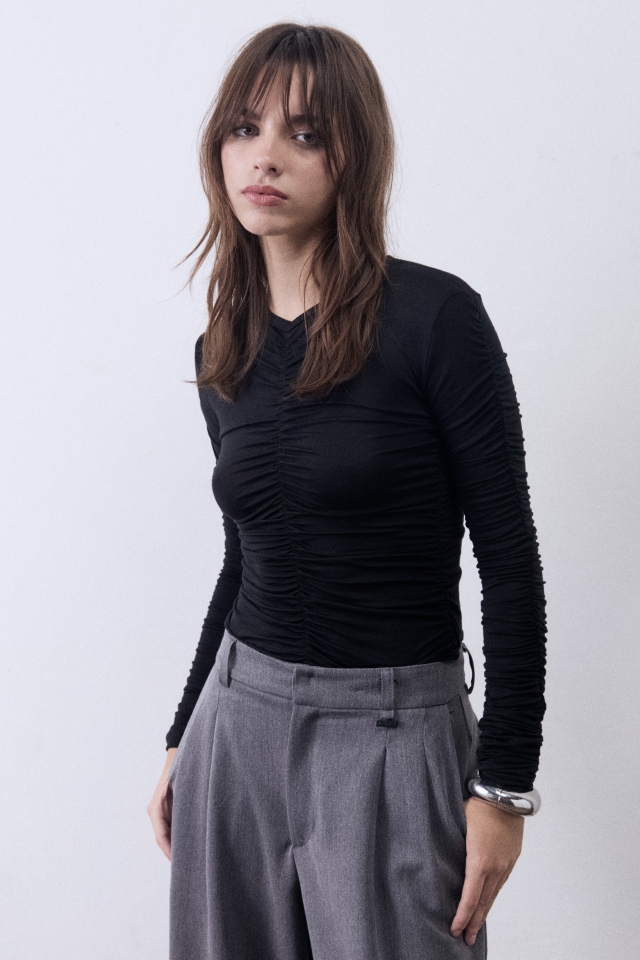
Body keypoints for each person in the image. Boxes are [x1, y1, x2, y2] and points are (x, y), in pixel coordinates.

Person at [147, 22, 547, 960]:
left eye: (306, 134)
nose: (266, 157)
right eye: (245, 128)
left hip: (394, 737)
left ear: (353, 156)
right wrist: (181, 733)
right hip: (236, 729)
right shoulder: (223, 348)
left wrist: (504, 784)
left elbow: (510, 560)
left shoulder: (437, 319)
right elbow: (244, 557)